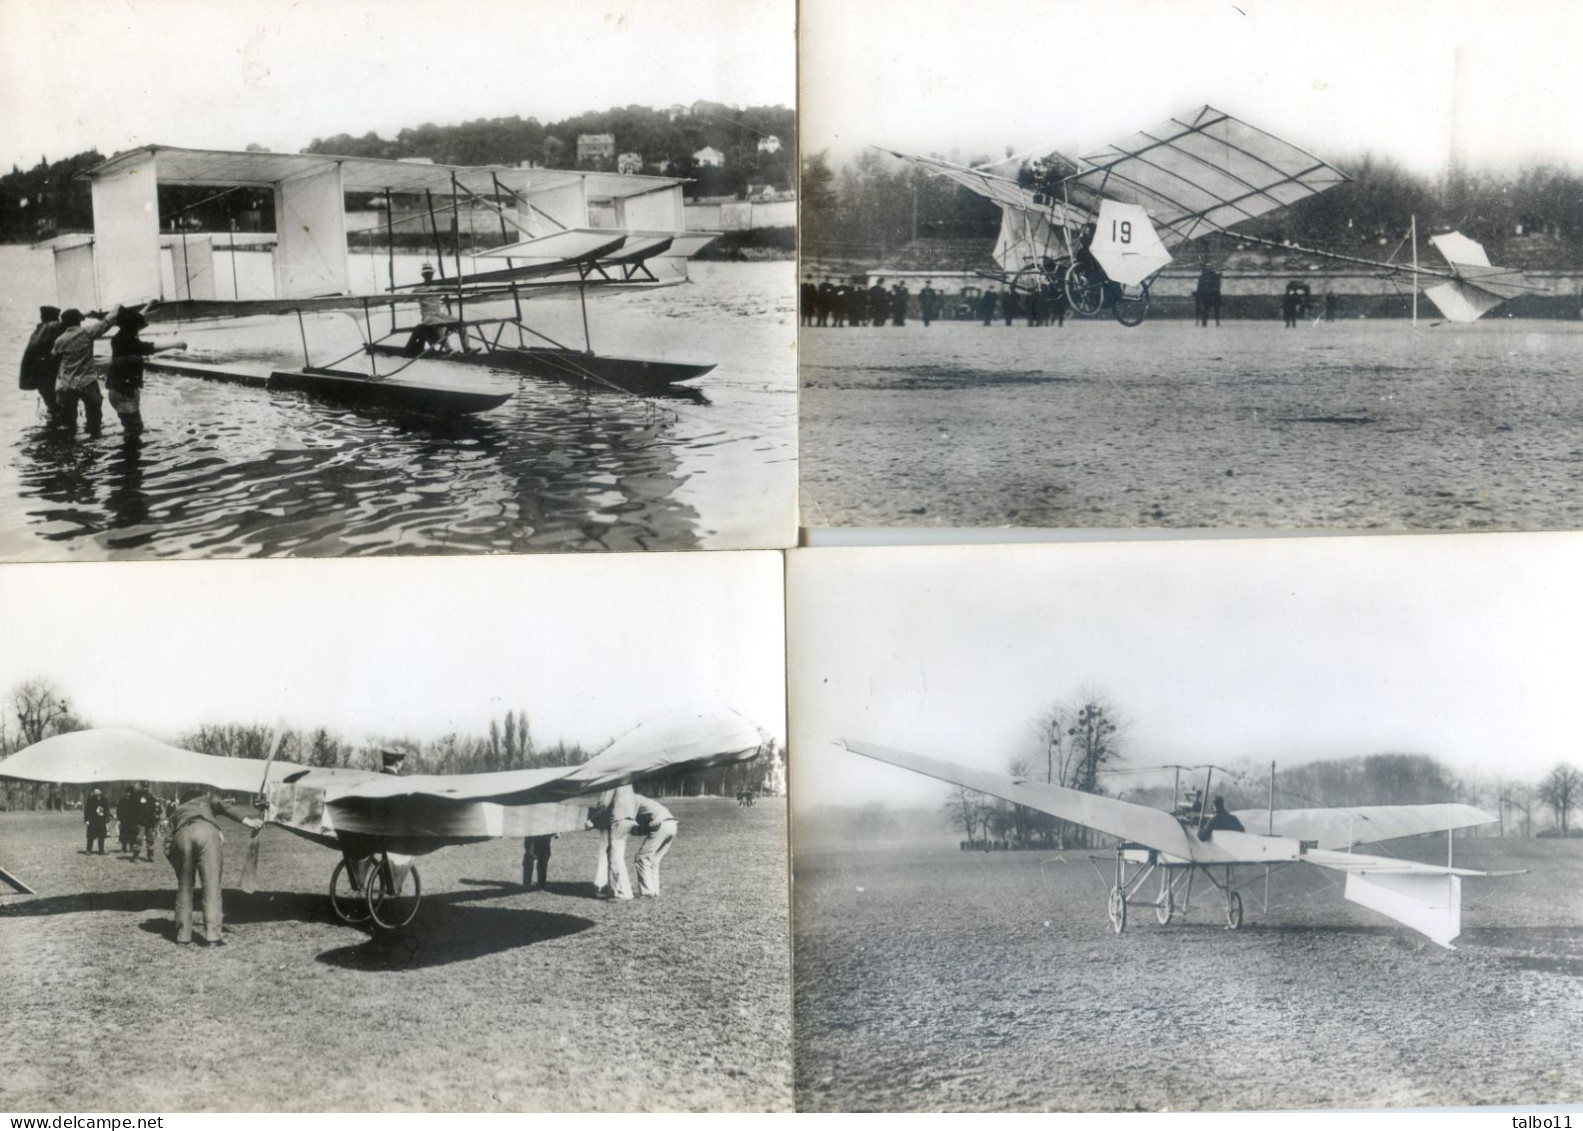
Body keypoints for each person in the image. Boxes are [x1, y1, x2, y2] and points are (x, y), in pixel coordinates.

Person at [166, 786, 263, 945]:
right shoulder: (207, 798)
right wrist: (248, 821)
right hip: (207, 833)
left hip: (182, 834)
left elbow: (167, 845)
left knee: (184, 888)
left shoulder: (177, 810)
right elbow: (224, 806)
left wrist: (179, 868)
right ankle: (212, 936)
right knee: (212, 886)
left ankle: (183, 936)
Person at [105, 309, 185, 436]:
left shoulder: (118, 338)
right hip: (126, 392)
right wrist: (176, 344)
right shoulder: (130, 341)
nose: (139, 328)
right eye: (138, 326)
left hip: (116, 390)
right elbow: (150, 348)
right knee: (134, 428)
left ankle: (127, 451)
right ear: (133, 326)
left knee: (131, 426)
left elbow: (131, 320)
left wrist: (149, 305)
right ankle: (130, 453)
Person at [51, 307, 117, 436]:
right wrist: (117, 307)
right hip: (87, 382)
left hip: (66, 385)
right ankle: (93, 443)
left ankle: (70, 446)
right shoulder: (87, 332)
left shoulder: (60, 340)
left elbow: (53, 356)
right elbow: (107, 322)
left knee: (68, 423)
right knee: (94, 418)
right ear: (79, 320)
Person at [586, 784, 637, 900]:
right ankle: (613, 889)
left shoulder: (612, 781)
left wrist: (592, 820)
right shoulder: (627, 782)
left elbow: (604, 804)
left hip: (617, 821)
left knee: (615, 858)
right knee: (618, 855)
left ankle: (622, 891)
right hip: (628, 821)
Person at [18, 305, 63, 422]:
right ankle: (57, 416)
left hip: (38, 368)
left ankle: (55, 415)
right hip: (46, 367)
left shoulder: (41, 329)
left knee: (47, 393)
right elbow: (68, 324)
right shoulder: (50, 327)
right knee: (50, 393)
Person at [401, 265, 455, 356]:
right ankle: (448, 349)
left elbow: (450, 288)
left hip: (438, 314)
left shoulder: (438, 287)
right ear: (423, 275)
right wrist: (401, 296)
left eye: (430, 273)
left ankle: (467, 348)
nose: (429, 275)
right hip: (428, 316)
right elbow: (407, 299)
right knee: (440, 324)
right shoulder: (418, 289)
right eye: (427, 274)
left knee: (461, 322)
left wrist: (457, 284)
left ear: (433, 274)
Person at [631, 793, 678, 898]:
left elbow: (629, 821)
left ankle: (647, 893)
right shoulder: (640, 798)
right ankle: (655, 891)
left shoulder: (630, 799)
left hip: (661, 825)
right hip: (672, 825)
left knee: (641, 858)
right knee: (653, 861)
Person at [129, 782, 161, 863]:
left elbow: (156, 808)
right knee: (139, 838)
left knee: (150, 839)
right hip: (141, 821)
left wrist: (156, 814)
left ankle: (150, 856)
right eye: (144, 787)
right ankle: (135, 856)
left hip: (149, 821)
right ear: (142, 787)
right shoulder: (137, 796)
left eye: (147, 787)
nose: (146, 788)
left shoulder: (151, 797)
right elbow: (133, 809)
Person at [83, 788, 110, 855]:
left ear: (100, 791)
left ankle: (101, 851)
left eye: (98, 790)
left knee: (101, 837)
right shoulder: (90, 799)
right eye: (95, 790)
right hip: (92, 820)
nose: (96, 792)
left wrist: (107, 819)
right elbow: (86, 810)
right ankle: (88, 850)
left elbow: (107, 810)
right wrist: (86, 820)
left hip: (101, 820)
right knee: (90, 837)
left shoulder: (104, 799)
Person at [115, 786, 138, 854]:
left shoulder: (134, 800)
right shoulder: (122, 800)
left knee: (132, 835)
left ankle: (131, 848)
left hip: (132, 821)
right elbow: (118, 809)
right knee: (124, 835)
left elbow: (137, 811)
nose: (128, 794)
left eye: (129, 792)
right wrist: (119, 818)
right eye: (127, 792)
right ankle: (123, 848)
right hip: (124, 820)